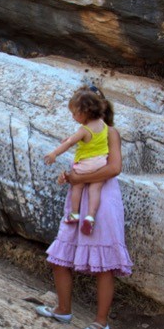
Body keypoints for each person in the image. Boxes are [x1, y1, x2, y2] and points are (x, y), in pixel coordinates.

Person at [36, 87, 132, 329]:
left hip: (103, 201)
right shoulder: (84, 136)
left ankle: (101, 322)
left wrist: (80, 177)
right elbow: (79, 166)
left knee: (104, 265)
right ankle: (63, 309)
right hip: (79, 197)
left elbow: (114, 168)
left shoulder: (111, 133)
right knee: (60, 255)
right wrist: (69, 176)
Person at [44, 86, 111, 235]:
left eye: (74, 113)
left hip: (86, 164)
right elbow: (93, 141)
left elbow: (69, 144)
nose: (73, 117)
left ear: (85, 112)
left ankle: (75, 213)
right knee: (95, 189)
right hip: (101, 163)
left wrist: (54, 153)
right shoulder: (103, 125)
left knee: (77, 186)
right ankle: (90, 217)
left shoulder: (83, 130)